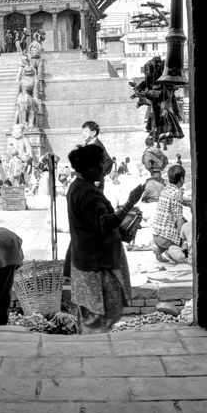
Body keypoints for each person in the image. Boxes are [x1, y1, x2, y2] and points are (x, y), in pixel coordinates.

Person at [65, 143, 144, 333]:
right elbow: (105, 224)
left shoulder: (82, 187)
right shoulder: (86, 193)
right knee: (96, 315)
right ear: (90, 168)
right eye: (101, 165)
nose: (104, 169)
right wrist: (129, 203)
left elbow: (97, 223)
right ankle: (94, 349)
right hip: (95, 264)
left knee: (96, 315)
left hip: (89, 260)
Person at [151, 165, 188, 264]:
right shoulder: (177, 193)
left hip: (156, 235)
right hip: (166, 239)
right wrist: (184, 239)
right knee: (186, 247)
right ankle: (170, 252)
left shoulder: (165, 189)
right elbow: (178, 218)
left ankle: (160, 249)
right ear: (182, 179)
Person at [78, 121, 113, 191]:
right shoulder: (88, 145)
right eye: (82, 132)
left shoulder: (97, 146)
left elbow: (108, 161)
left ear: (93, 133)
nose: (83, 134)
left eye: (85, 132)